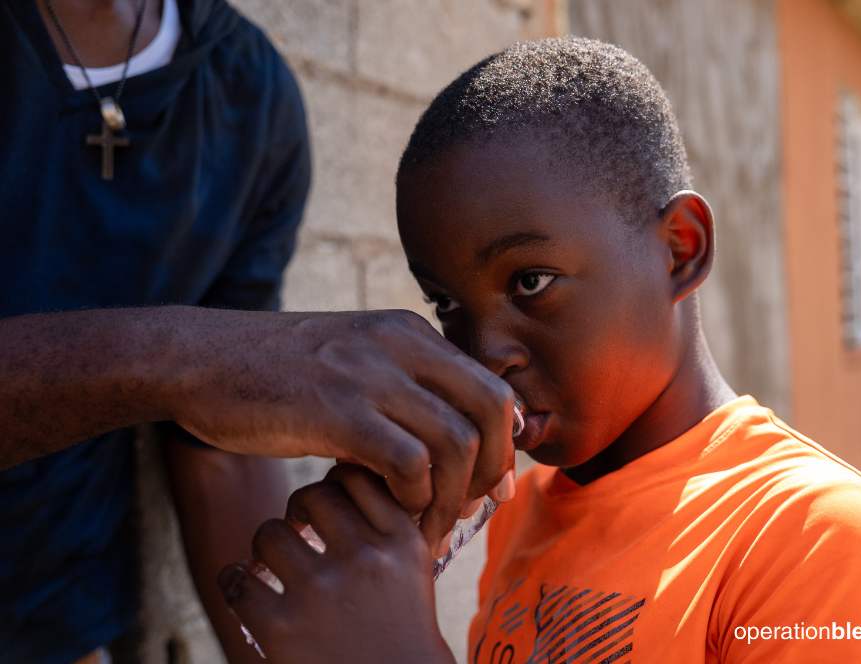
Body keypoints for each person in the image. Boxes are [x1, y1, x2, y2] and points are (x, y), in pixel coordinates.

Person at [220, 38, 861, 663]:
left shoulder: (821, 543)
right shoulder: (525, 512)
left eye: (531, 281)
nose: (483, 351)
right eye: (447, 305)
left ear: (679, 249)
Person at [0, 1, 515, 662]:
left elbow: (213, 449)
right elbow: (209, 378)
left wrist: (309, 616)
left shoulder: (249, 96)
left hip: (58, 629)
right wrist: (189, 361)